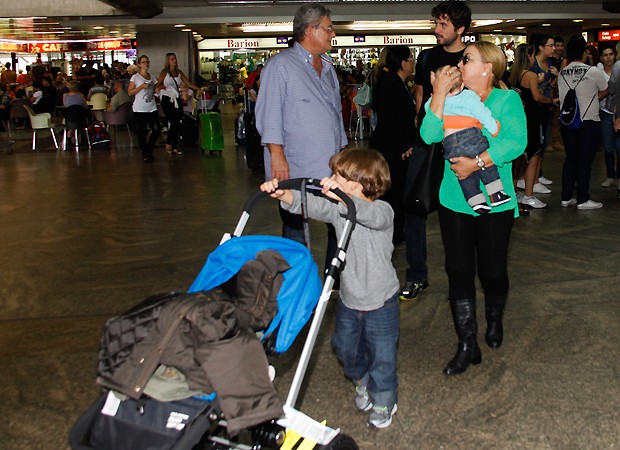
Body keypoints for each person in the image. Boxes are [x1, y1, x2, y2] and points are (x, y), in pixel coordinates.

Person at [260, 148, 399, 428]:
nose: (329, 178)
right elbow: (314, 205)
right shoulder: (339, 210)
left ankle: (385, 400)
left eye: (337, 176)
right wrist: (285, 195)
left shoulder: (383, 211)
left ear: (357, 185)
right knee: (344, 347)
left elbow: (369, 216)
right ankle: (361, 381)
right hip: (349, 298)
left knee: (383, 356)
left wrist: (343, 199)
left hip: (382, 301)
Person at [420, 41, 526, 375]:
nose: (460, 64)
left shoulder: (507, 100)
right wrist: (438, 93)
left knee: (493, 271)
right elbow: (428, 135)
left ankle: (494, 318)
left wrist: (476, 163)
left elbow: (515, 141)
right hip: (454, 199)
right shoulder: (449, 99)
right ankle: (467, 342)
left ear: (488, 68)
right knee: (458, 269)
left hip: (497, 202)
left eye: (467, 59)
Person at [255, 2, 347, 269]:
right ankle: (298, 281)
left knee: (338, 219)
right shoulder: (280, 66)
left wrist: (342, 150)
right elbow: (268, 114)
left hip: (330, 165)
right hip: (294, 164)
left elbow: (334, 113)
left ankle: (335, 276)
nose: (333, 34)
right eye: (329, 29)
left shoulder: (328, 67)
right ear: (310, 30)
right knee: (296, 226)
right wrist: (276, 155)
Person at [400, 0, 472, 302]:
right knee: (415, 209)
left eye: (443, 25)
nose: (437, 29)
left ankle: (461, 276)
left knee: (458, 213)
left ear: (460, 29)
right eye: (436, 23)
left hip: (463, 144)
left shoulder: (472, 59)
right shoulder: (428, 56)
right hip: (427, 143)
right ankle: (417, 275)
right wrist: (414, 138)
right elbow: (420, 97)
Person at [425, 67, 509, 214]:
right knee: (486, 164)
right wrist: (493, 128)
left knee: (464, 173)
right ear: (462, 85)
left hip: (450, 143)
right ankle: (496, 194)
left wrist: (437, 95)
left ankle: (476, 201)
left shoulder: (434, 101)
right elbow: (482, 113)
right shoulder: (469, 97)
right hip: (471, 136)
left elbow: (429, 112)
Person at [369, 45, 415, 244]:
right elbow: (388, 121)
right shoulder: (391, 84)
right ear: (403, 63)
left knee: (396, 190)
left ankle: (397, 231)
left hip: (394, 146)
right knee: (392, 190)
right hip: (390, 149)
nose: (413, 62)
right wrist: (403, 145)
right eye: (411, 58)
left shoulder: (397, 83)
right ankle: (393, 233)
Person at [558, 35, 607, 210]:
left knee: (571, 158)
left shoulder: (562, 72)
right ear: (584, 52)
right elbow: (605, 89)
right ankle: (583, 199)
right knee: (585, 161)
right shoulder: (592, 71)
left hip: (567, 121)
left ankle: (566, 196)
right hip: (588, 121)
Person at [510, 43, 557, 210]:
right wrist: (551, 100)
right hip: (532, 119)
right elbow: (537, 97)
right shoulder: (529, 75)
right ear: (528, 56)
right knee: (534, 156)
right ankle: (529, 195)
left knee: (519, 157)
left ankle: (513, 191)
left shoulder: (512, 75)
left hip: (519, 119)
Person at [155, 52, 200, 156]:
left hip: (176, 98)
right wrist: (163, 87)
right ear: (168, 61)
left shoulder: (179, 72)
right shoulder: (164, 72)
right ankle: (169, 143)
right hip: (167, 98)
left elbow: (188, 83)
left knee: (178, 122)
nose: (174, 61)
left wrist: (198, 88)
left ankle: (173, 145)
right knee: (173, 121)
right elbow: (158, 85)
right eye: (172, 59)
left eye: (175, 59)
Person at [128, 55, 161, 164]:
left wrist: (158, 89)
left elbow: (156, 88)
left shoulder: (151, 77)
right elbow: (130, 92)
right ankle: (145, 153)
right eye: (143, 62)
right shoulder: (135, 77)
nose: (146, 64)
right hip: (140, 109)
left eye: (147, 62)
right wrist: (141, 87)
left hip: (151, 107)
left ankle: (148, 148)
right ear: (139, 64)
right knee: (142, 132)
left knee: (157, 129)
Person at [598, 45, 619, 188]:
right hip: (605, 112)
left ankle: (618, 176)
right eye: (605, 55)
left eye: (611, 54)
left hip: (618, 113)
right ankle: (610, 175)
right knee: (608, 146)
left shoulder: (618, 69)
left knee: (619, 147)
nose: (608, 57)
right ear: (601, 58)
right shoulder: (598, 73)